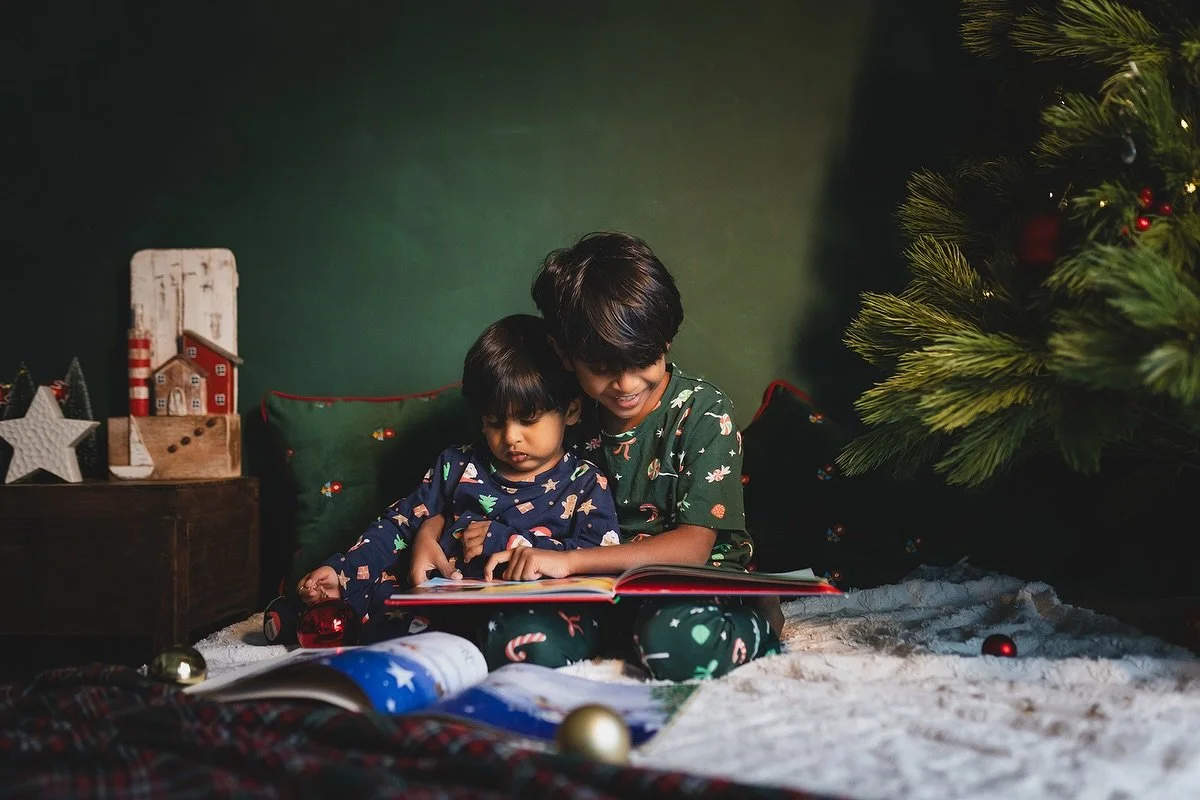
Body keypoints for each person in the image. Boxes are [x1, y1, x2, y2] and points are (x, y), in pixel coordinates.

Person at [479, 230, 782, 681]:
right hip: (596, 593)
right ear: (566, 355)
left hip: (687, 588)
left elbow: (694, 549)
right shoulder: (568, 419)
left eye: (642, 361)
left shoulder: (703, 412)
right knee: (512, 640)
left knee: (674, 643)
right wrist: (435, 527)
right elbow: (484, 479)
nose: (625, 386)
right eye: (601, 369)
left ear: (665, 341)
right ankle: (626, 636)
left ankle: (760, 617)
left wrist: (567, 561)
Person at [294, 313, 620, 661]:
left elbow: (597, 564)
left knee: (540, 637)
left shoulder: (585, 483)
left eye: (528, 420)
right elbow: (400, 523)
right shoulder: (457, 465)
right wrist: (341, 570)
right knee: (376, 603)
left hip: (526, 615)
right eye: (494, 422)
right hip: (437, 608)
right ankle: (310, 612)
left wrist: (509, 541)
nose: (510, 437)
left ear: (571, 410)